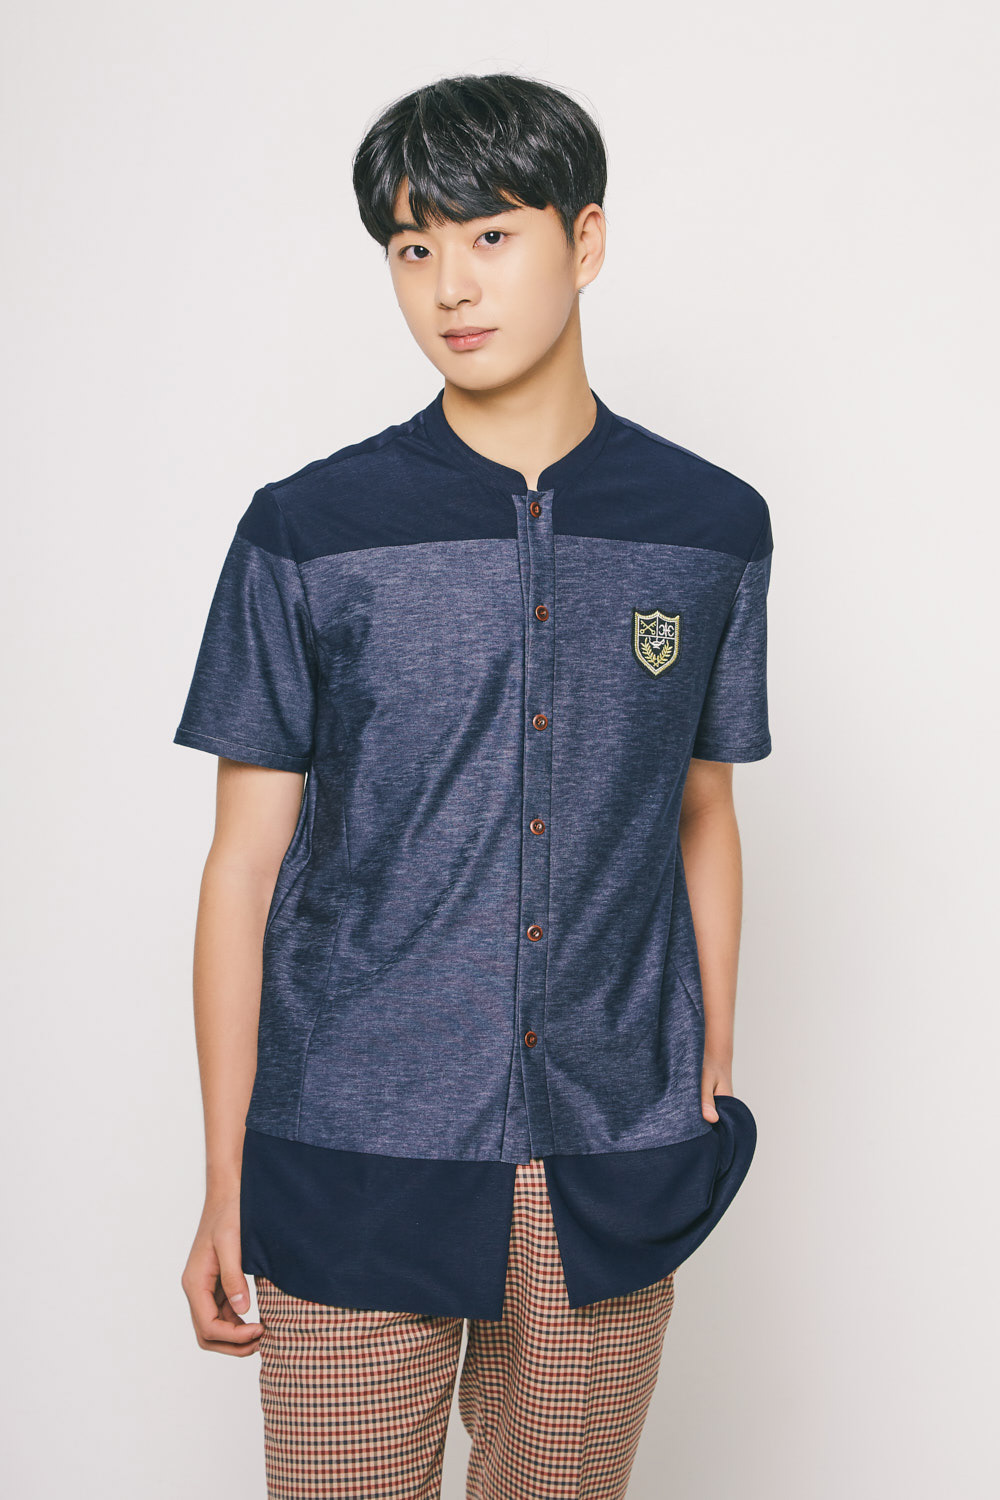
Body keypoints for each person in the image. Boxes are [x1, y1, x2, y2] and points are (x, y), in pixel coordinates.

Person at [174, 71, 773, 1499]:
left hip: (605, 1151)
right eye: (413, 246)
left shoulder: (711, 526)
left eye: (491, 235)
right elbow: (242, 865)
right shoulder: (308, 530)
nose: (450, 284)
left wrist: (709, 1058)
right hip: (350, 1145)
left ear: (586, 239)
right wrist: (223, 1176)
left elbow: (703, 808)